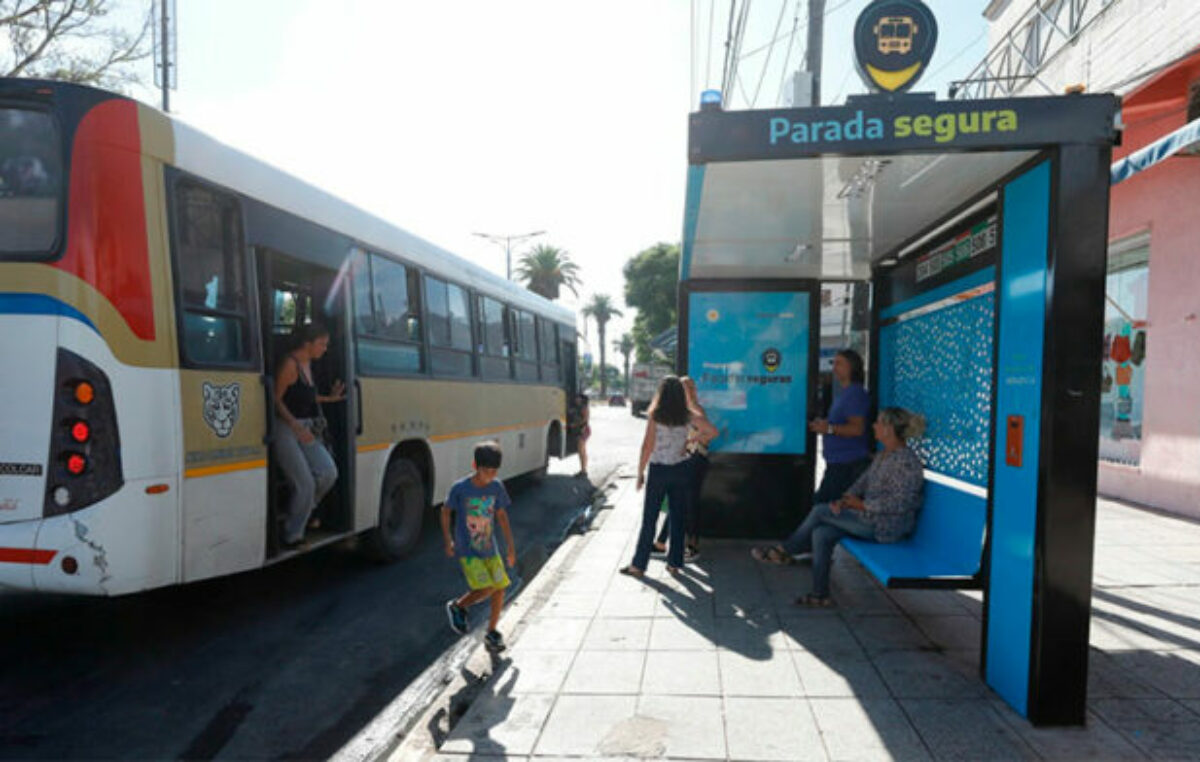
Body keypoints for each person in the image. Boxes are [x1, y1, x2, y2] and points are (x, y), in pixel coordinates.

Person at [751, 407, 926, 607]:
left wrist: (861, 505)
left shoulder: (906, 462)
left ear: (889, 429)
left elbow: (901, 502)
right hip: (870, 518)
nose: (874, 426)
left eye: (878, 422)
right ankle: (820, 595)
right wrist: (846, 499)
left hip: (887, 526)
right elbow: (863, 481)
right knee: (822, 533)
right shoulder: (884, 455)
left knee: (820, 511)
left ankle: (785, 550)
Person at [621, 376, 718, 577]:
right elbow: (713, 432)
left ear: (662, 393)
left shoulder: (655, 415)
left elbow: (647, 446)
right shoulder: (688, 415)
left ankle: (638, 565)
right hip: (681, 470)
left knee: (650, 518)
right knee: (678, 518)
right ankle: (674, 564)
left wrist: (640, 473)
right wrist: (693, 438)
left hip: (658, 471)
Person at [273, 323, 345, 549]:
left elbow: (305, 397)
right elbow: (275, 399)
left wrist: (329, 399)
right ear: (308, 344)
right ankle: (292, 535)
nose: (325, 349)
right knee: (304, 484)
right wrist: (294, 425)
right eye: (322, 344)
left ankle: (303, 508)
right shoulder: (289, 364)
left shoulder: (309, 364)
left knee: (328, 472)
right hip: (285, 427)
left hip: (305, 427)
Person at [442, 441, 518, 653]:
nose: (490, 476)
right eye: (486, 471)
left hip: (489, 549)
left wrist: (511, 548)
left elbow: (502, 516)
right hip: (468, 551)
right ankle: (458, 606)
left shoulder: (496, 487)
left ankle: (492, 632)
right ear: (475, 465)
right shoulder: (460, 488)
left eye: (494, 472)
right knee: (486, 587)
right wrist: (448, 539)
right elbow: (446, 511)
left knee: (500, 587)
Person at [651, 376, 717, 561]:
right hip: (687, 461)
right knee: (678, 501)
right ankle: (661, 542)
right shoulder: (684, 410)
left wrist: (690, 440)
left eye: (690, 387)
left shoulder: (695, 409)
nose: (689, 391)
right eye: (686, 388)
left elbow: (708, 435)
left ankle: (692, 545)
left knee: (689, 503)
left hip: (695, 460)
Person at [808, 349, 873, 505]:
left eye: (839, 363)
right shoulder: (844, 394)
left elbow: (857, 428)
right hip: (837, 464)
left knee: (822, 507)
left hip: (847, 466)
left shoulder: (855, 394)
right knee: (822, 508)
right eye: (833, 363)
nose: (834, 368)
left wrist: (829, 429)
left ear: (852, 367)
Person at [570, 393, 591, 478]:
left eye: (578, 398)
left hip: (583, 430)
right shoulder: (579, 408)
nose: (576, 400)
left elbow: (585, 420)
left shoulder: (584, 408)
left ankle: (583, 471)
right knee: (582, 451)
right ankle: (583, 470)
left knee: (581, 452)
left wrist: (574, 425)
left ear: (582, 400)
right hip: (583, 430)